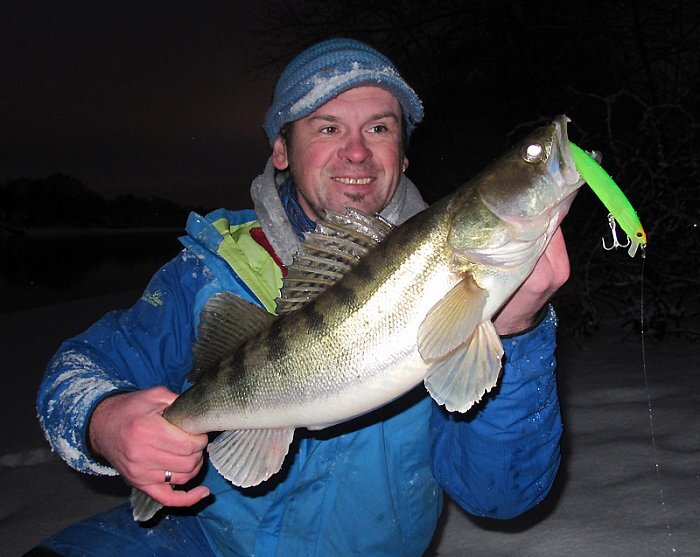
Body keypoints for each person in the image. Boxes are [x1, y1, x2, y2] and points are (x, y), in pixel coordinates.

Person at [29, 38, 568, 556]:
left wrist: (514, 331)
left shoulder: (474, 283)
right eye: (328, 127)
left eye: (379, 128)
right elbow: (76, 371)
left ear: (403, 155)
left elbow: (501, 496)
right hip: (201, 538)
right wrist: (108, 422)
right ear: (283, 150)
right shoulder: (206, 272)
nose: (356, 152)